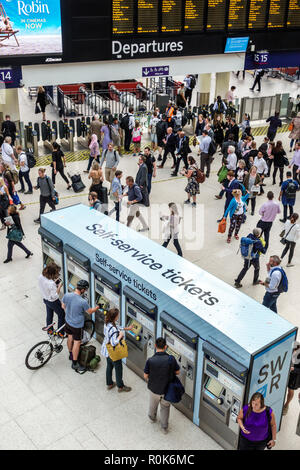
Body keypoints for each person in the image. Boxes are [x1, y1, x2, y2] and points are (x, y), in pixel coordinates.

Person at [144, 337, 180, 434]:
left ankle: (152, 418)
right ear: (165, 347)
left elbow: (145, 375)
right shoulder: (171, 359)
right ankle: (164, 427)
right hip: (167, 390)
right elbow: (177, 372)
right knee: (165, 408)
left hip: (154, 388)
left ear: (155, 346)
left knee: (153, 404)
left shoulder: (150, 360)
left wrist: (150, 381)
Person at [62, 280, 100, 372]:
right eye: (85, 290)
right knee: (77, 342)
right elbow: (90, 311)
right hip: (77, 325)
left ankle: (71, 354)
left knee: (70, 337)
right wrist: (97, 307)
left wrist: (70, 313)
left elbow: (63, 306)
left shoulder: (67, 295)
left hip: (67, 321)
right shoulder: (82, 301)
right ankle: (75, 363)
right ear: (83, 290)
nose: (86, 291)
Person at [101, 308, 133, 392]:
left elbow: (117, 327)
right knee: (118, 370)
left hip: (107, 350)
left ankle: (110, 383)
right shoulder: (113, 329)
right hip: (114, 353)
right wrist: (120, 336)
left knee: (109, 367)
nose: (118, 316)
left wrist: (127, 328)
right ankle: (121, 387)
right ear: (114, 317)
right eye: (117, 315)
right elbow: (114, 343)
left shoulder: (107, 323)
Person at [38, 262, 65, 337]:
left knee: (49, 315)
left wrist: (54, 282)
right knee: (61, 314)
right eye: (56, 273)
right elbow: (55, 296)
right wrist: (59, 286)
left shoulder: (41, 276)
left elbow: (45, 286)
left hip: (45, 299)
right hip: (53, 302)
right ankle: (61, 333)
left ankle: (50, 332)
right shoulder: (51, 284)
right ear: (52, 273)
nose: (57, 274)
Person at [282, 341, 300, 415]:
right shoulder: (289, 351)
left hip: (295, 376)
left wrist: (293, 369)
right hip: (285, 372)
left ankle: (286, 405)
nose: (294, 352)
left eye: (295, 351)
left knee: (290, 390)